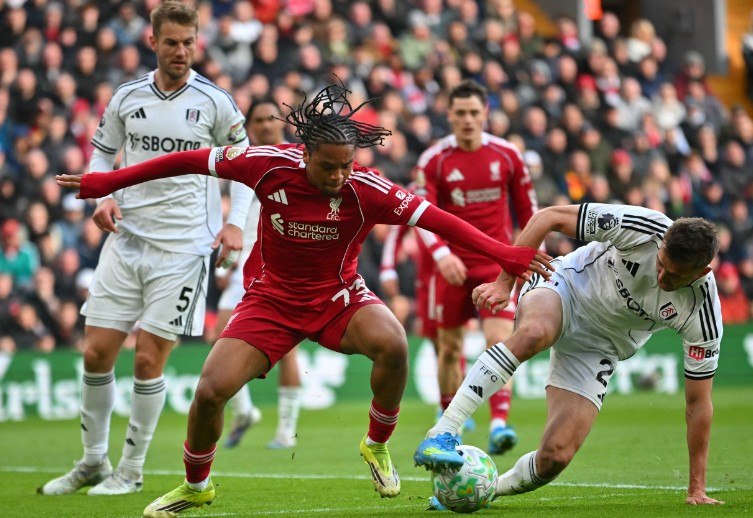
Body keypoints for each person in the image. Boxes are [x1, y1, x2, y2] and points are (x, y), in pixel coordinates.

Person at [56, 81, 552, 516]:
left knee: (395, 345)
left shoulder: (367, 187)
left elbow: (439, 220)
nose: (339, 176)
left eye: (346, 166)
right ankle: (196, 485)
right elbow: (186, 160)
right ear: (305, 152)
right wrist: (109, 181)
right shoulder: (266, 165)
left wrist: (506, 254)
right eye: (328, 167)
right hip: (271, 302)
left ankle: (377, 446)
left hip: (340, 298)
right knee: (209, 392)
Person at [39, 1, 254, 497]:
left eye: (188, 42)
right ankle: (93, 461)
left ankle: (131, 471)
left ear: (198, 42)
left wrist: (235, 225)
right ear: (152, 42)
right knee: (95, 352)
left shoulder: (217, 103)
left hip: (183, 248)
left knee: (146, 360)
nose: (181, 51)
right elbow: (101, 152)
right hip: (126, 239)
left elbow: (244, 169)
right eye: (171, 42)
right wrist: (102, 192)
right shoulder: (126, 97)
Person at [414, 203, 725, 507]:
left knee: (555, 457)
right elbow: (547, 217)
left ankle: (483, 489)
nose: (661, 278)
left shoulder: (703, 312)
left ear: (702, 272)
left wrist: (697, 487)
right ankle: (443, 431)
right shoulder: (643, 228)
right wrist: (504, 283)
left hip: (600, 346)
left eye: (673, 277)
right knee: (534, 333)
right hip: (566, 287)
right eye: (660, 264)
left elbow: (698, 403)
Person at [415, 79, 538, 455]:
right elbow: (421, 215)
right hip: (450, 266)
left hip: (494, 264)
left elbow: (531, 213)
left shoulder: (507, 155)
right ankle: (450, 429)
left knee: (498, 342)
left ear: (485, 114)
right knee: (449, 349)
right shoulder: (434, 160)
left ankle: (499, 423)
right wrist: (441, 256)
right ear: (448, 115)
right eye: (460, 113)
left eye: (474, 113)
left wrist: (525, 258)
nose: (468, 120)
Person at [214, 98, 303, 450]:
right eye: (259, 121)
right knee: (219, 334)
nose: (266, 125)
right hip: (245, 265)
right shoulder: (242, 166)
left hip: (281, 267)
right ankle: (245, 410)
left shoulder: (297, 161)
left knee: (287, 350)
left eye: (271, 119)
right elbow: (238, 223)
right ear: (249, 127)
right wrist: (225, 264)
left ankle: (286, 429)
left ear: (282, 122)